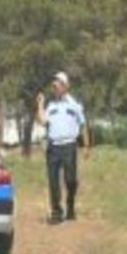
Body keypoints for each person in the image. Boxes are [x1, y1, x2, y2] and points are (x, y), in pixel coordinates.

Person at [36, 71, 90, 224]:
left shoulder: (74, 105)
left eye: (58, 84)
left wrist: (86, 146)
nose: (55, 87)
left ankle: (70, 205)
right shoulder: (51, 106)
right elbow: (42, 121)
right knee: (53, 181)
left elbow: (83, 125)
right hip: (53, 147)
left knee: (71, 180)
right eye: (54, 85)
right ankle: (56, 212)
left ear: (66, 86)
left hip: (69, 146)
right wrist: (39, 104)